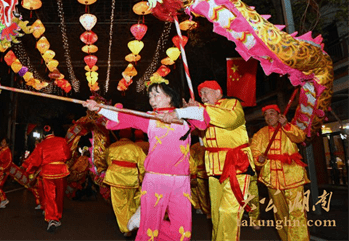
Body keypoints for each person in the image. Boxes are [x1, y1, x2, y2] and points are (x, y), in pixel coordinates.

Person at [83, 82, 207, 241]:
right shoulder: (149, 118)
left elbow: (203, 116)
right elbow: (122, 116)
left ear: (170, 97)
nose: (152, 99)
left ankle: (145, 220)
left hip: (181, 181)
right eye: (150, 96)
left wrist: (177, 113)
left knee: (182, 233)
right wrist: (99, 108)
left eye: (157, 94)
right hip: (155, 179)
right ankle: (146, 222)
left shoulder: (186, 118)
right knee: (149, 232)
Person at [169, 80, 255, 241]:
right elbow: (197, 127)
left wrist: (199, 109)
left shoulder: (232, 104)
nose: (203, 96)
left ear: (218, 92)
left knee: (228, 212)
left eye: (206, 92)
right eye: (201, 94)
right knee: (216, 214)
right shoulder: (205, 110)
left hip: (236, 165)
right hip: (214, 167)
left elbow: (229, 120)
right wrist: (189, 113)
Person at [250, 104, 310, 241]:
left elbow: (300, 137)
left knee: (297, 212)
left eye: (272, 113)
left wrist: (287, 126)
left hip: (292, 175)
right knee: (280, 214)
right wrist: (258, 159)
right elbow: (254, 152)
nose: (268, 117)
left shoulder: (288, 127)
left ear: (279, 115)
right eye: (266, 115)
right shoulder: (260, 134)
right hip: (272, 178)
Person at [24, 125, 71, 233]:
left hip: (47, 172)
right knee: (59, 195)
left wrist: (28, 170)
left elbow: (34, 160)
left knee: (50, 196)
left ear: (44, 135)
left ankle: (52, 219)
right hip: (60, 171)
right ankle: (58, 215)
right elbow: (68, 155)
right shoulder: (62, 141)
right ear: (53, 132)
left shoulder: (41, 145)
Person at [104, 128, 146, 237]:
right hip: (131, 179)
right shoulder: (136, 147)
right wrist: (142, 176)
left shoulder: (112, 146)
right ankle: (131, 224)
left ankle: (126, 228)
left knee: (119, 205)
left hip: (115, 178)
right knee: (131, 202)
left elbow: (108, 161)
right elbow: (143, 164)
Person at [189, 139, 211, 219]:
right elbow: (191, 159)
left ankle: (202, 208)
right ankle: (204, 209)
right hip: (203, 173)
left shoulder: (196, 146)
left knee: (202, 193)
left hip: (203, 173)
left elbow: (191, 159)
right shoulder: (197, 146)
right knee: (202, 193)